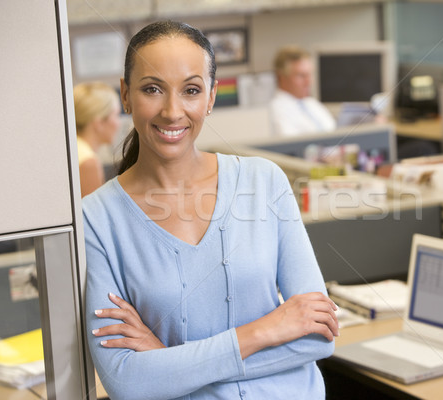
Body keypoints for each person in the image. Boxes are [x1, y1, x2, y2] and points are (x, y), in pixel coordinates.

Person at [83, 21, 338, 400]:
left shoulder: (263, 182)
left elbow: (319, 337)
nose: (173, 111)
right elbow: (127, 382)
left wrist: (169, 362)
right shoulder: (96, 218)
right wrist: (263, 331)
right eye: (152, 89)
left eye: (191, 90)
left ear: (211, 97)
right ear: (125, 95)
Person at [269, 45, 336, 137]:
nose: (308, 82)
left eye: (309, 74)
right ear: (281, 77)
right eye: (301, 75)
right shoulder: (276, 109)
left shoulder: (311, 103)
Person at [74, 82, 122, 197]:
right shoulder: (88, 163)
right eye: (116, 115)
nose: (118, 123)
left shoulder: (76, 148)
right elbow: (93, 214)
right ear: (98, 123)